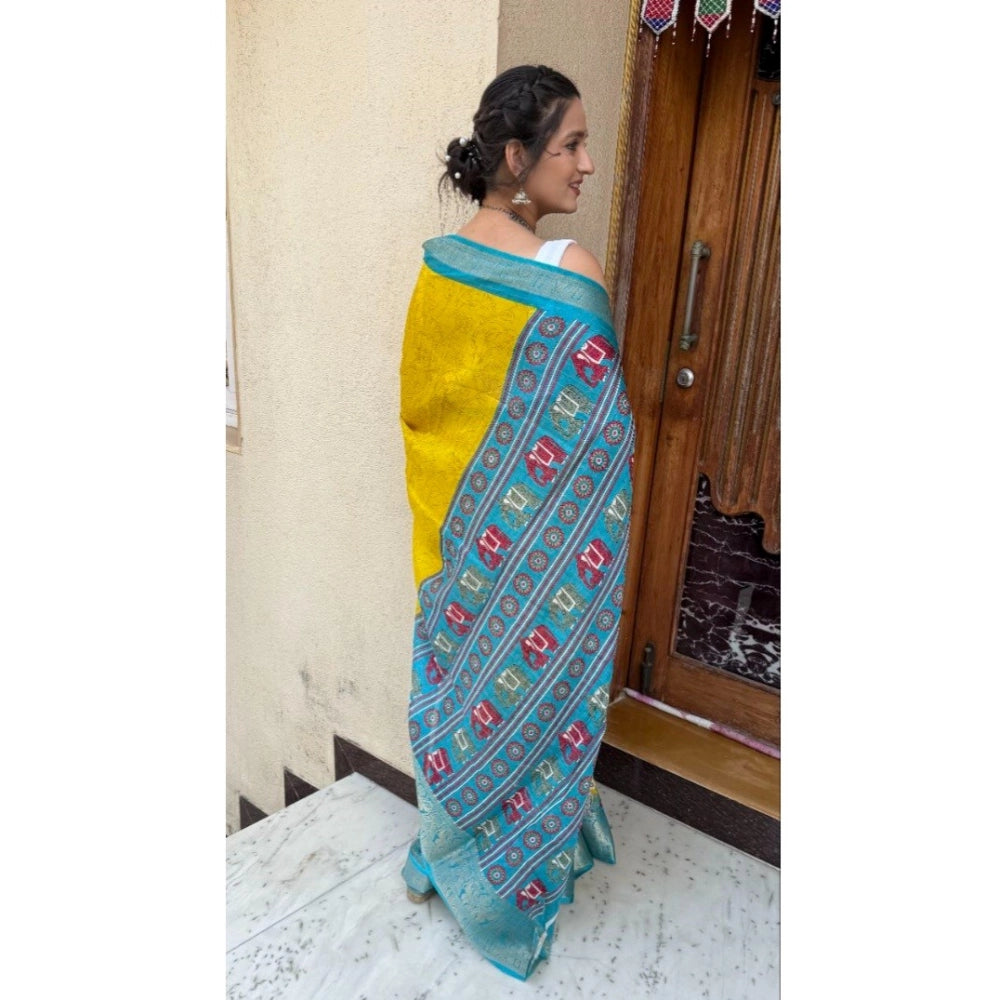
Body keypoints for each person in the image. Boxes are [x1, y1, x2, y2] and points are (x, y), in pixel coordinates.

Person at [398, 64, 635, 981]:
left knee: (463, 697)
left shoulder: (439, 267)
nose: (586, 165)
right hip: (537, 568)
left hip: (456, 557)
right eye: (571, 144)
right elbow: (599, 445)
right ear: (514, 156)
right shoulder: (568, 275)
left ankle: (441, 850)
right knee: (528, 702)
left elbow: (424, 422)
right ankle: (501, 894)